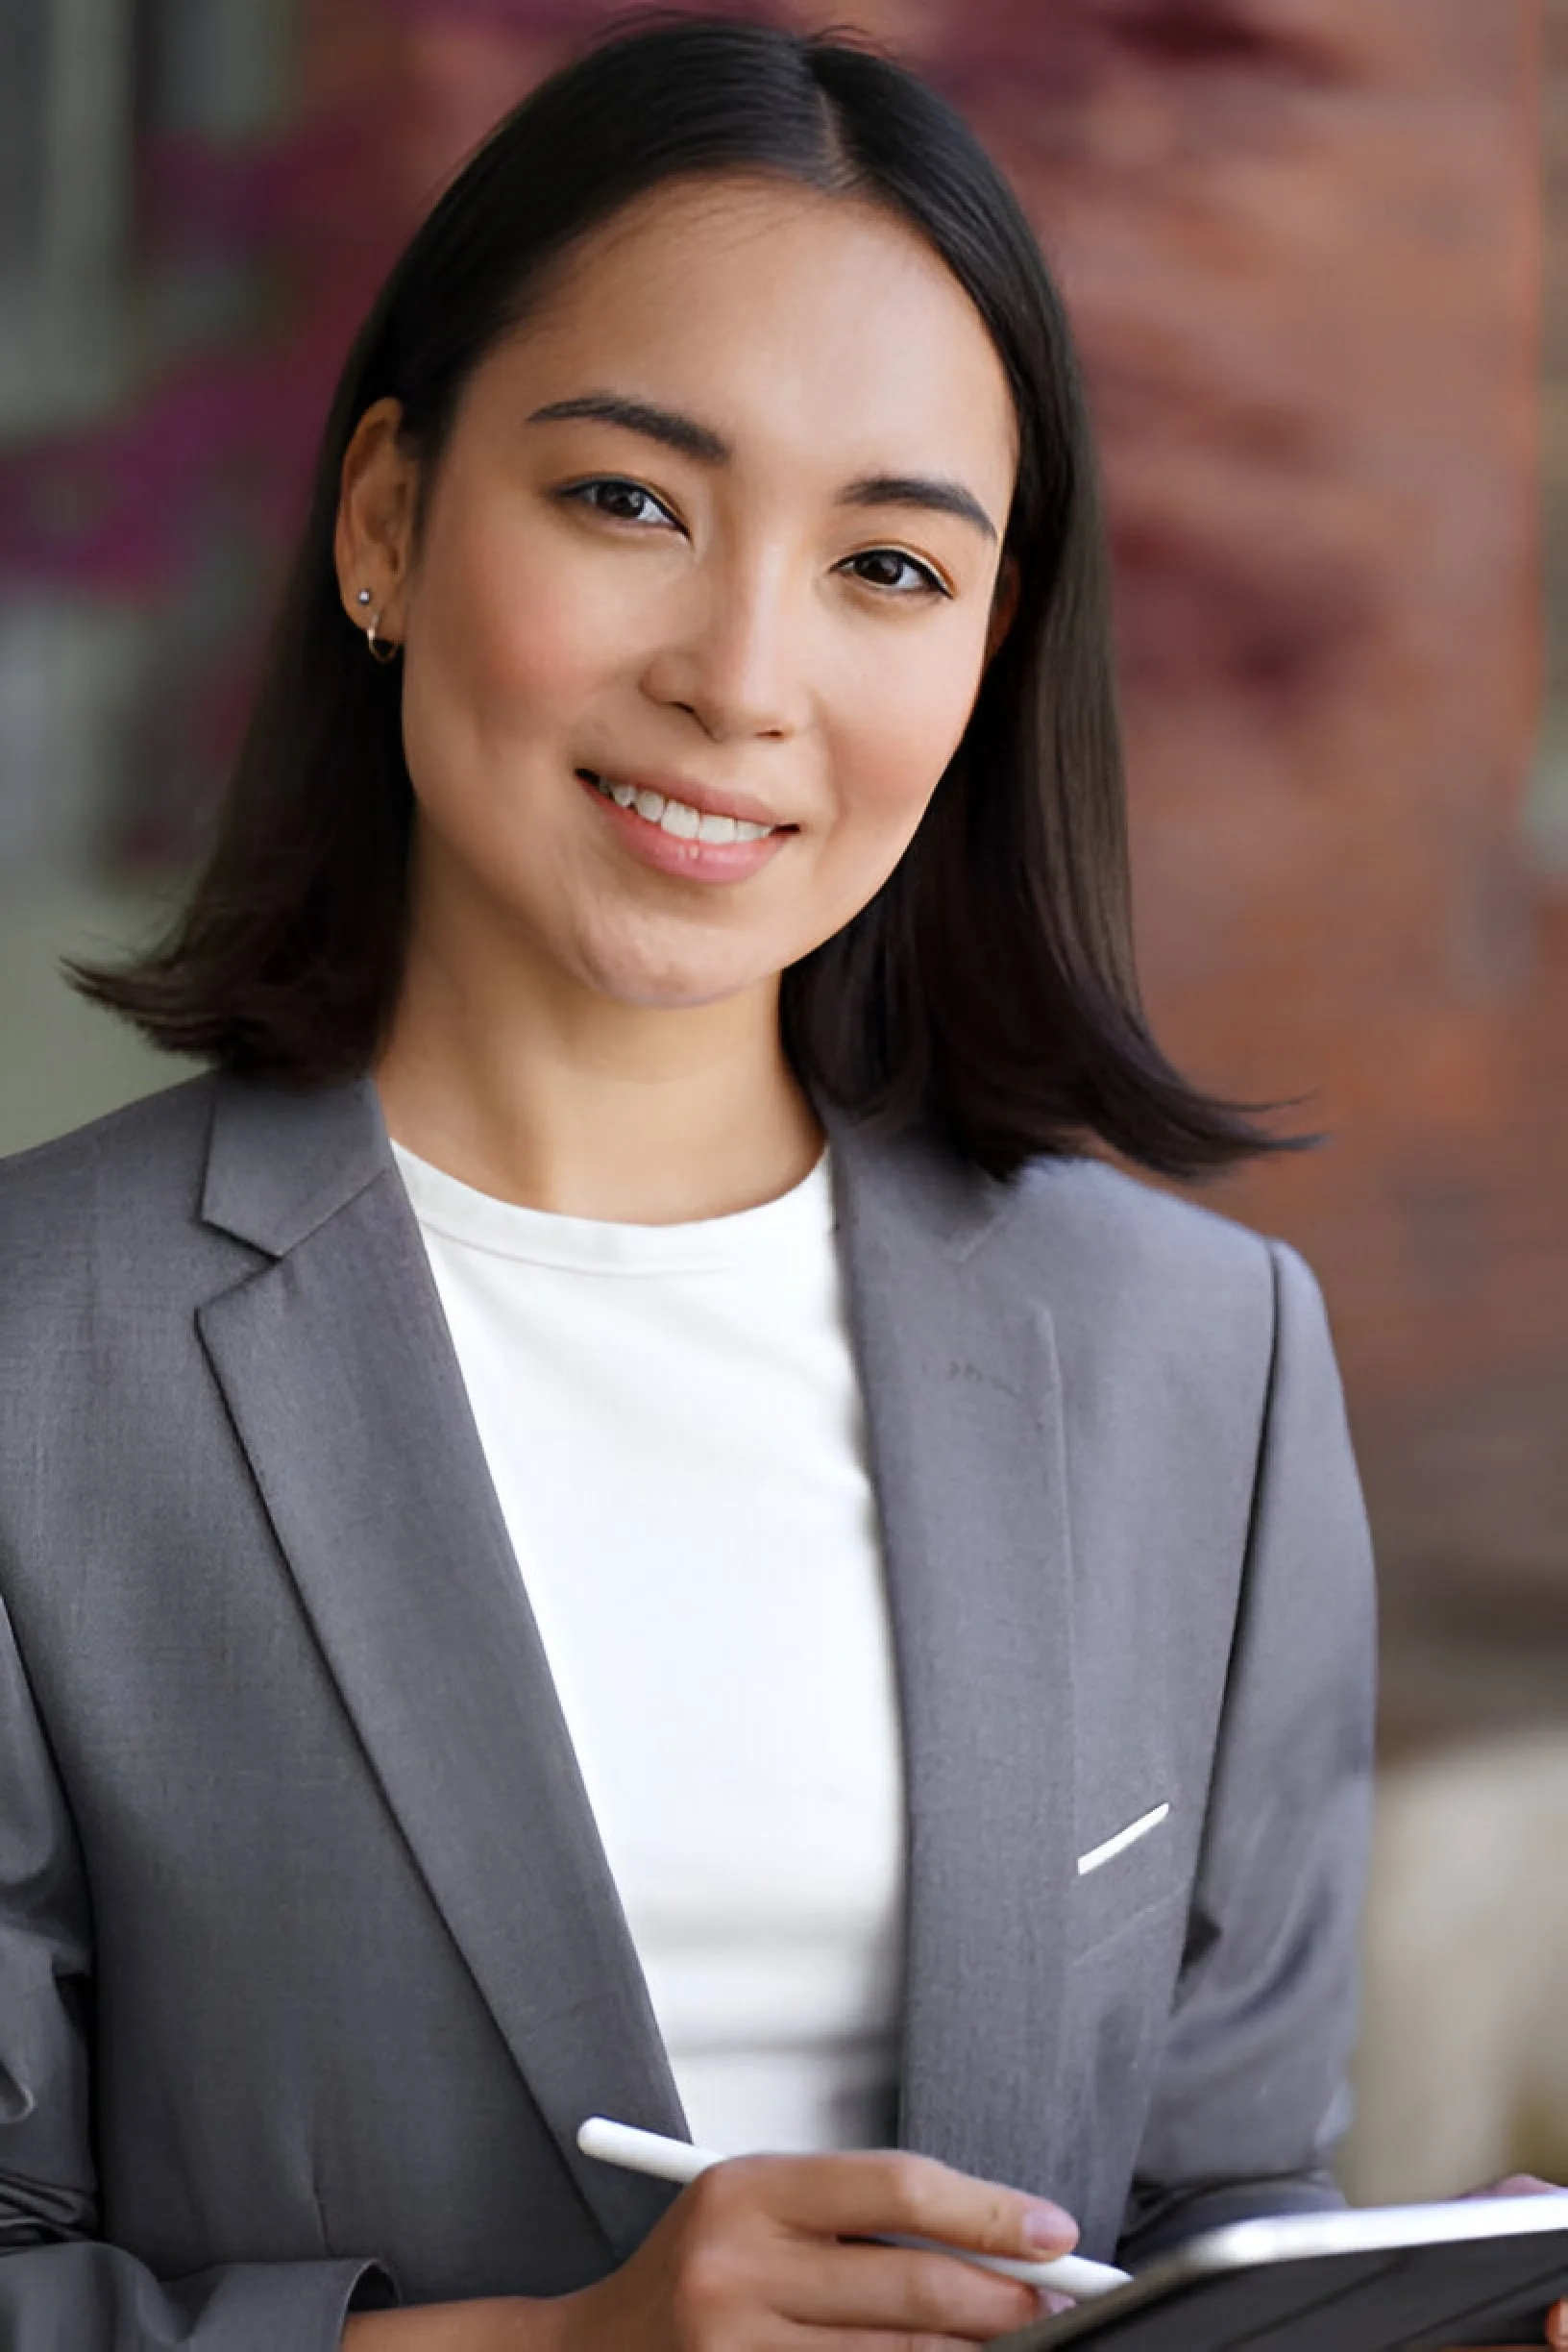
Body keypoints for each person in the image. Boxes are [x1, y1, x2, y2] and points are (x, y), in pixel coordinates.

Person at [0, 17, 1558, 2351]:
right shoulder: (40, 1351)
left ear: (992, 651)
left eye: (893, 569)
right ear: (387, 521)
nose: (747, 678)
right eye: (630, 502)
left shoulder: (1197, 1367)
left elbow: (1213, 2207)